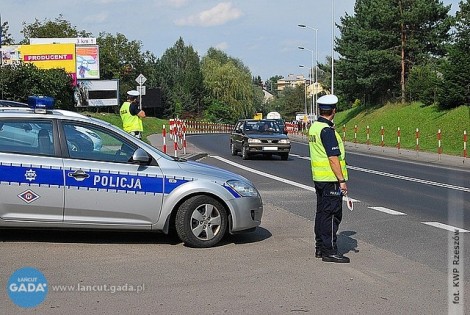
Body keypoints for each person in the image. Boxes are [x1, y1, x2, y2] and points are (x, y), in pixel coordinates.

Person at [308, 94, 350, 263]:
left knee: (321, 214)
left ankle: (320, 247)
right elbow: (333, 158)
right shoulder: (327, 131)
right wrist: (341, 180)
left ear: (320, 110)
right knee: (332, 216)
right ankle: (329, 251)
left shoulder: (314, 127)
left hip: (319, 178)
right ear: (334, 110)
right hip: (331, 179)